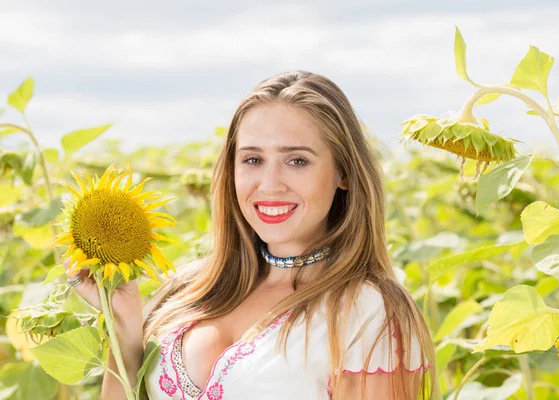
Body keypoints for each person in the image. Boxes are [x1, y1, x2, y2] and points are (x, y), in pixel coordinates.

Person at [64, 70, 435, 400]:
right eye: (253, 160)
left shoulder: (369, 311)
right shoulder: (190, 288)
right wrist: (124, 325)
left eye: (297, 160)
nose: (269, 185)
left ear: (345, 174)